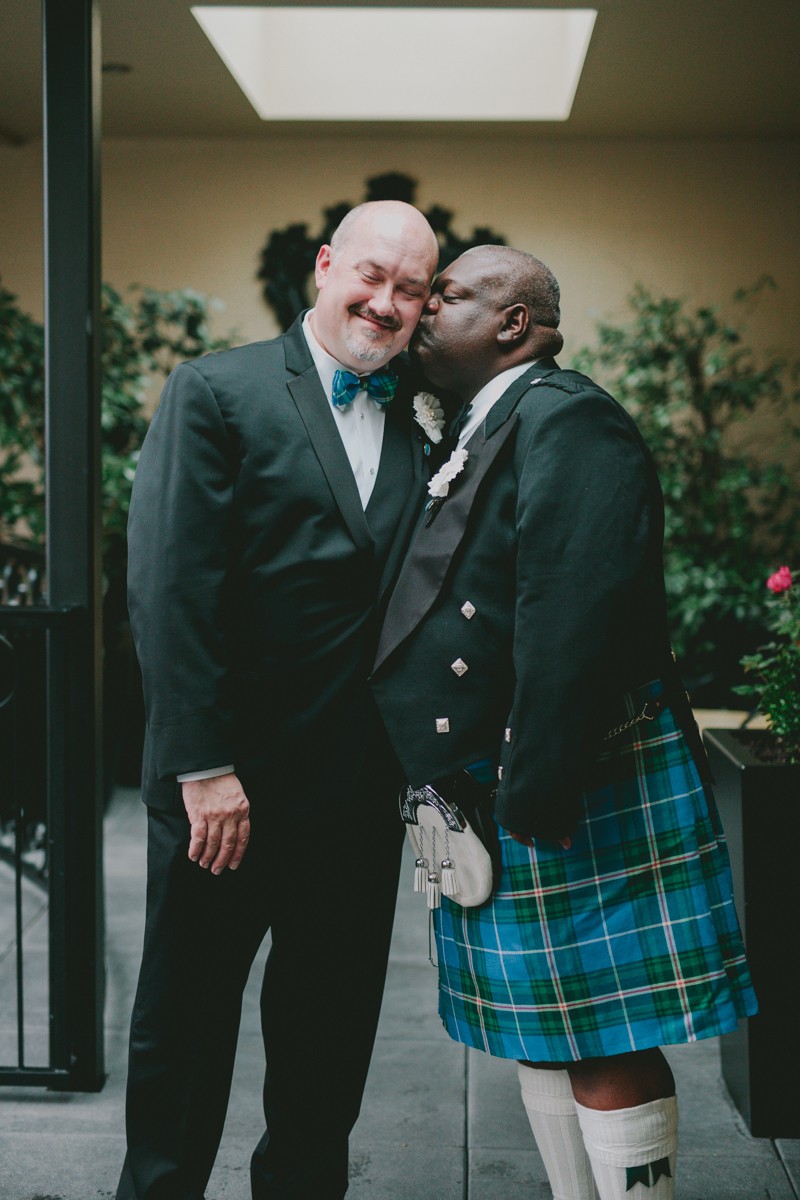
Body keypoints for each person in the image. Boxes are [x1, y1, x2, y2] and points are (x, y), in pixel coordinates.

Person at [370, 245, 757, 1200]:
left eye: (447, 295)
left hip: (568, 774)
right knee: (541, 1025)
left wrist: (531, 794)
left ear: (514, 322)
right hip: (493, 774)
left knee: (599, 1029)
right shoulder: (481, 424)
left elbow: (570, 614)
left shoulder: (569, 418)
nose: (421, 312)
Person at [117, 200, 440, 1200]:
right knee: (185, 1035)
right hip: (229, 796)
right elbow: (171, 587)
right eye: (371, 276)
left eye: (410, 290)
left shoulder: (423, 414)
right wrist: (203, 768)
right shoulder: (218, 391)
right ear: (324, 265)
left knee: (326, 1055)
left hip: (351, 803)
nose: (384, 303)